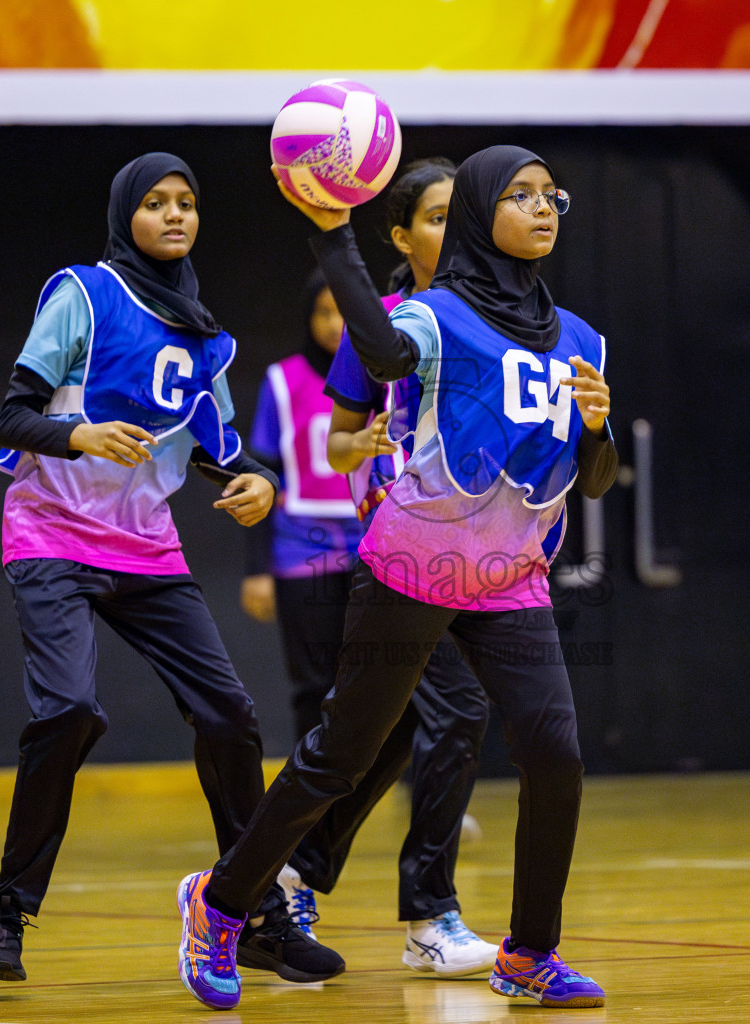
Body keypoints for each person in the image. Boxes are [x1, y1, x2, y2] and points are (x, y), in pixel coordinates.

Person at [177, 145, 616, 1011]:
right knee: (342, 755)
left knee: (555, 756)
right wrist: (333, 238)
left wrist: (598, 432)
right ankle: (219, 902)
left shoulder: (584, 338)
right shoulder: (433, 314)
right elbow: (377, 359)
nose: (542, 208)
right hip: (410, 568)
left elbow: (593, 479)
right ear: (482, 211)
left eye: (550, 195)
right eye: (519, 196)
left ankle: (528, 953)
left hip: (510, 579)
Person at [0, 153, 343, 988]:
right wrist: (79, 435)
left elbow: (225, 450)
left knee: (231, 716)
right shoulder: (83, 294)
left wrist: (257, 482)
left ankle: (254, 916)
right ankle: (7, 914)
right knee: (67, 711)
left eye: (187, 203)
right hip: (52, 534)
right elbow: (13, 414)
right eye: (156, 203)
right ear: (124, 214)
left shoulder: (201, 330)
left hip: (144, 546)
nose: (175, 215)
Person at [243, 214, 495, 975]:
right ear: (400, 234)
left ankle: (278, 874)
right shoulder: (384, 330)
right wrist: (374, 446)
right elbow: (335, 445)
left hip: (461, 555)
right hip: (381, 552)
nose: (455, 231)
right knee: (443, 713)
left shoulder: (485, 324)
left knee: (381, 733)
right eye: (438, 215)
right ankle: (428, 916)